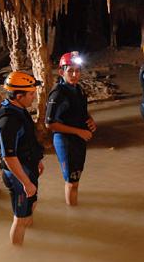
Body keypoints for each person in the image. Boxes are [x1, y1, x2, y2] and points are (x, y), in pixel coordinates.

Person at [0, 71, 45, 245]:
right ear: (19, 95)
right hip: (17, 175)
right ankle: (18, 253)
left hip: (28, 168)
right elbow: (9, 156)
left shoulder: (19, 109)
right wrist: (25, 182)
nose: (34, 97)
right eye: (31, 94)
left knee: (32, 205)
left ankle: (32, 234)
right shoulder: (8, 122)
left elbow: (27, 140)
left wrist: (37, 159)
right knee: (19, 219)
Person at [45, 51, 97, 206]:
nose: (75, 74)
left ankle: (74, 209)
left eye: (77, 70)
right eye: (70, 71)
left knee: (76, 177)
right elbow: (50, 123)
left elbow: (81, 109)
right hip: (65, 141)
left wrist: (90, 120)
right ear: (61, 72)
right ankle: (73, 211)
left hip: (79, 138)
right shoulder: (57, 94)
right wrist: (79, 131)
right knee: (71, 181)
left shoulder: (78, 89)